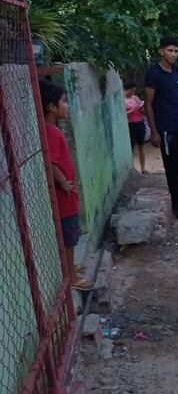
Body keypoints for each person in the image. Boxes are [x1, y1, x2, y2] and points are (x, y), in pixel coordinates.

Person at [40, 79, 94, 291]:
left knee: (69, 236)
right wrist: (64, 182)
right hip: (64, 198)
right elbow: (51, 162)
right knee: (69, 238)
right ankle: (71, 277)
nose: (67, 105)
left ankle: (70, 268)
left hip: (65, 196)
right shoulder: (51, 131)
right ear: (51, 107)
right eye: (63, 102)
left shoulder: (51, 129)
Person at [144, 36, 178, 219]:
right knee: (172, 167)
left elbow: (177, 97)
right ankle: (177, 203)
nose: (174, 54)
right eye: (170, 50)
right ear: (161, 51)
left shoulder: (176, 71)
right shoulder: (154, 74)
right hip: (166, 128)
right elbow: (148, 103)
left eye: (176, 51)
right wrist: (154, 131)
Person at [123, 81, 147, 174]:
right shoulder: (122, 100)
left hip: (139, 123)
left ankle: (143, 168)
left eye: (134, 91)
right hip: (130, 125)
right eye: (131, 91)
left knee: (141, 146)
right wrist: (132, 110)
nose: (132, 93)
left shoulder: (135, 98)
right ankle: (131, 168)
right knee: (131, 147)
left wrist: (141, 108)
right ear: (126, 90)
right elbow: (122, 115)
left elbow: (142, 110)